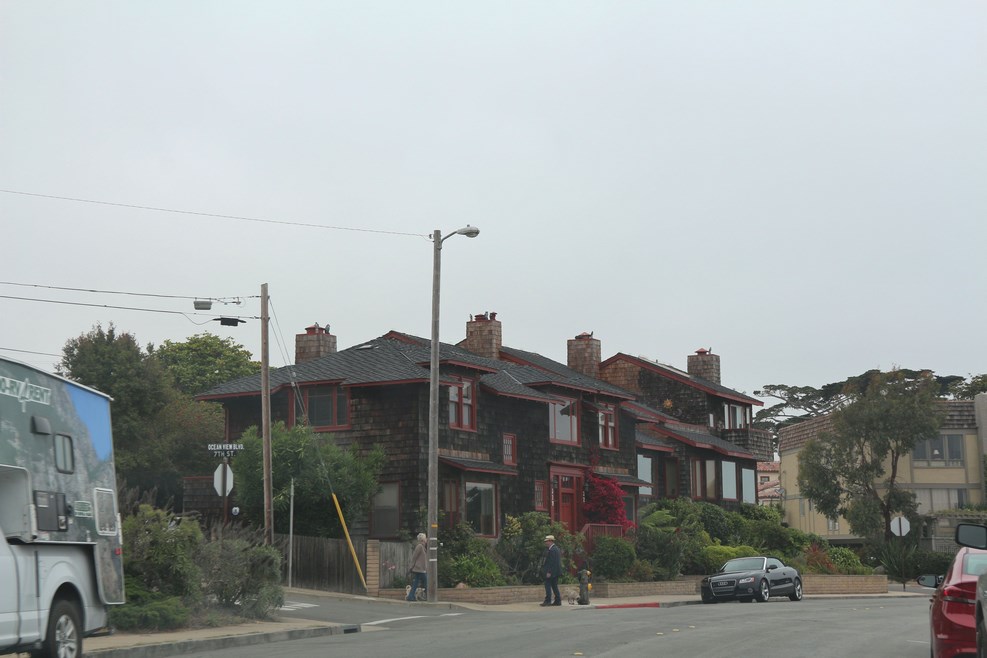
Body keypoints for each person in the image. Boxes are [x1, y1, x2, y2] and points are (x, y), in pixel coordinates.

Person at [540, 534, 562, 606]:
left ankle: (548, 601)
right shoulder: (556, 549)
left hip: (551, 572)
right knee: (554, 586)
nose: (546, 543)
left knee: (547, 585)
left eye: (547, 541)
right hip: (556, 572)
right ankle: (558, 600)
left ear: (550, 541)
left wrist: (549, 572)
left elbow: (552, 562)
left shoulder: (552, 550)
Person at [407, 533, 428, 601]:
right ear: (423, 539)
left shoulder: (423, 547)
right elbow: (414, 557)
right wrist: (411, 567)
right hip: (419, 569)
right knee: (426, 582)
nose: (426, 539)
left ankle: (410, 596)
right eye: (425, 538)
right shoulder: (419, 546)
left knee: (416, 583)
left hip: (421, 569)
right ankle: (429, 596)